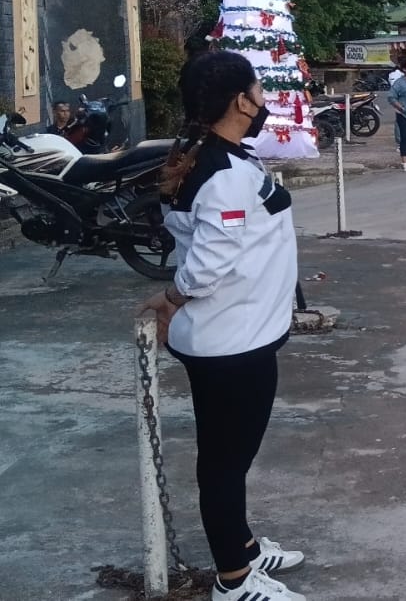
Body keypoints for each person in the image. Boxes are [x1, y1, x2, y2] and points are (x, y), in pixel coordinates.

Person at [138, 51, 307, 601]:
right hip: (230, 343)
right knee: (226, 462)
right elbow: (208, 266)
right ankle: (233, 581)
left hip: (238, 334)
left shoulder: (216, 158)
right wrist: (169, 299)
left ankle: (245, 548)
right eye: (257, 90)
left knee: (228, 457)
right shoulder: (221, 173)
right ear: (240, 100)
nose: (263, 99)